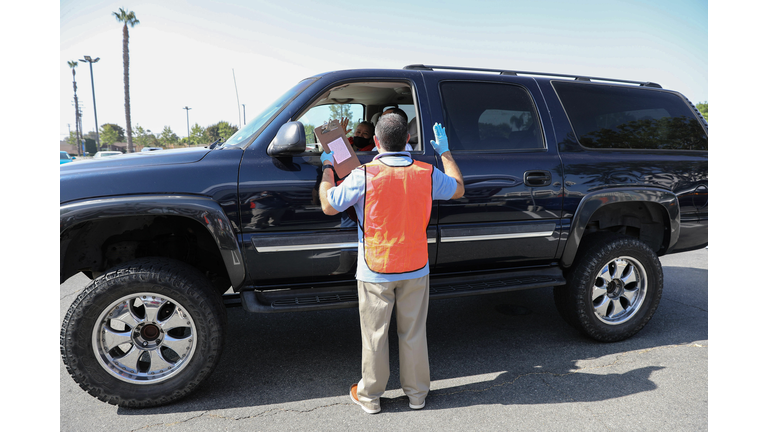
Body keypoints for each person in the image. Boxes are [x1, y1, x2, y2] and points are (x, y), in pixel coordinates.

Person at [318, 113, 465, 414]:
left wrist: (327, 168)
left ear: (375, 142)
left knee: (375, 335)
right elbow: (458, 188)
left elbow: (328, 204)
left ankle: (370, 397)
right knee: (413, 333)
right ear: (408, 140)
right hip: (415, 266)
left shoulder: (364, 174)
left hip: (375, 268)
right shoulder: (426, 172)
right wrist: (445, 153)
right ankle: (417, 396)